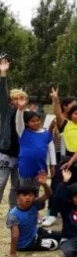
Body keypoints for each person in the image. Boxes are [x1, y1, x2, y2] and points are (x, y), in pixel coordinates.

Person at [6, 173, 59, 257]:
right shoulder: (13, 214)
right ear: (17, 198)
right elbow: (15, 235)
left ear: (34, 197)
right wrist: (12, 252)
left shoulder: (34, 204)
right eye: (24, 195)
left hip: (36, 232)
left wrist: (44, 184)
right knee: (55, 244)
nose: (27, 198)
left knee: (60, 234)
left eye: (30, 195)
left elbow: (49, 194)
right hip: (26, 244)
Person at [0, 58, 22, 206]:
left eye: (21, 98)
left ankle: (14, 211)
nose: (18, 101)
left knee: (17, 186)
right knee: (0, 183)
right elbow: (2, 93)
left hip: (20, 154)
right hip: (6, 152)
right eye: (15, 98)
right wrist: (3, 73)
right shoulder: (7, 111)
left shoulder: (27, 116)